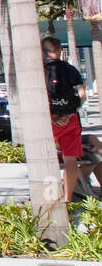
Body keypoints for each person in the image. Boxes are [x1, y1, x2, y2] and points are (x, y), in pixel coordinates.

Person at [42, 36, 86, 202]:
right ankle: (68, 199)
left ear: (42, 51)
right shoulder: (70, 69)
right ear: (60, 50)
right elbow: (82, 95)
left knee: (48, 160)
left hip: (49, 122)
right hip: (71, 120)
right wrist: (68, 114)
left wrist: (52, 117)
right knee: (70, 160)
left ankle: (51, 198)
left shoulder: (39, 70)